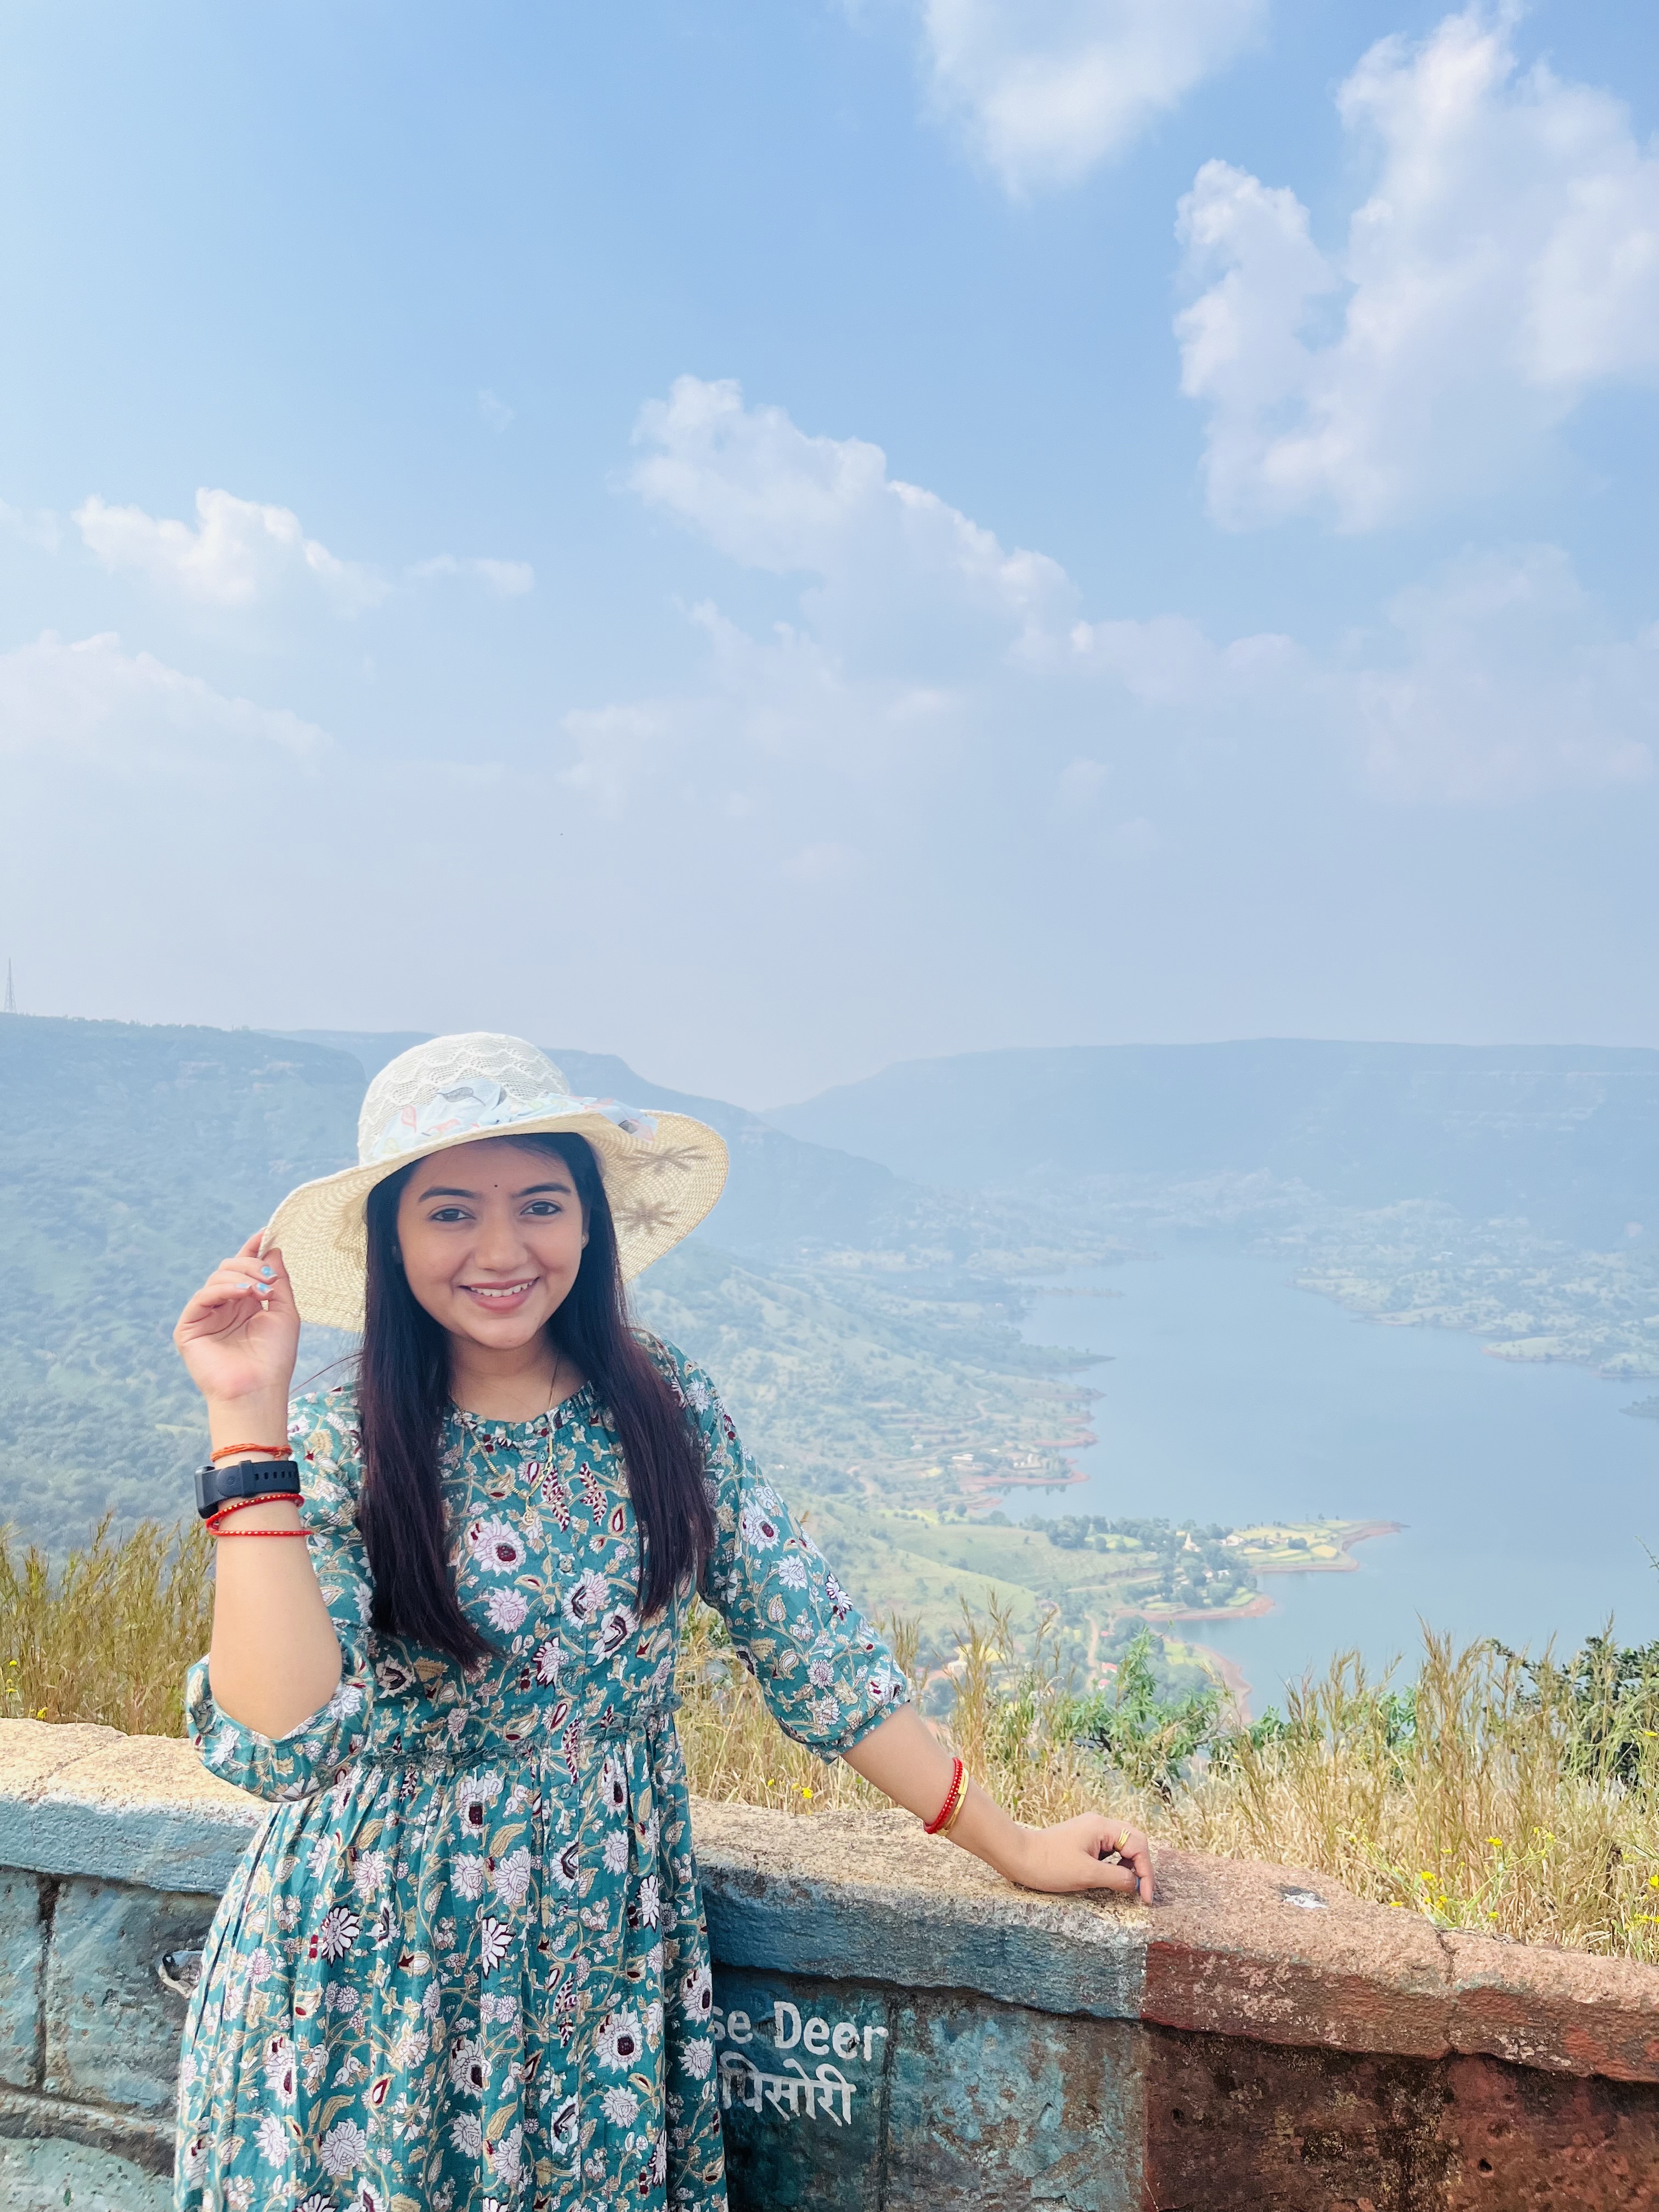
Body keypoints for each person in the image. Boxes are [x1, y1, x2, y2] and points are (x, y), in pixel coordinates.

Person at [172, 1032, 1153, 2212]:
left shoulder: (661, 1406)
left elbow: (811, 1645)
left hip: (602, 1959)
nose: (501, 1251)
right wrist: (247, 1422)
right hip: (377, 1967)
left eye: (540, 1205)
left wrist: (1015, 1846)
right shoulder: (343, 1449)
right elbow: (283, 1740)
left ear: (590, 1223)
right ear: (392, 1240)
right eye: (450, 1213)